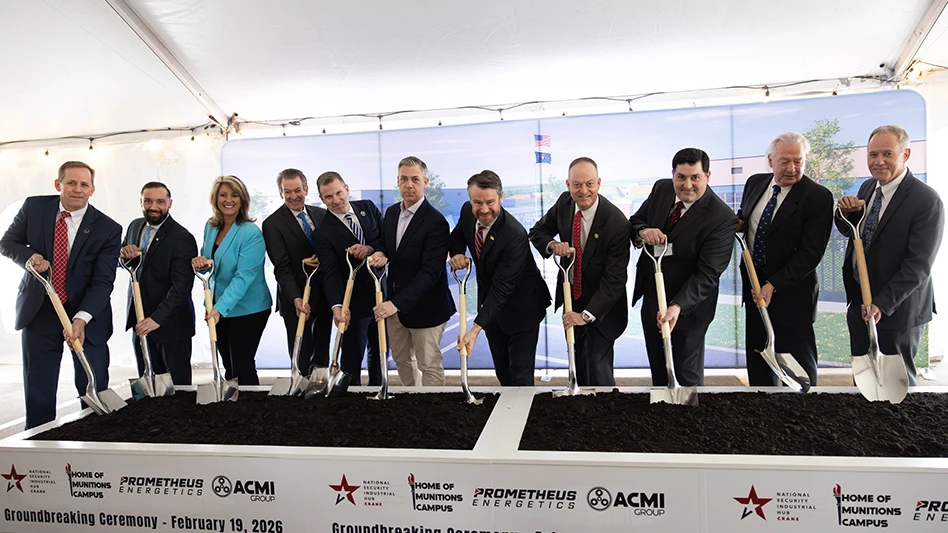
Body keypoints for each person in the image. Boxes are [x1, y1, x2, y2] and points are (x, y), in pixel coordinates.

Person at [0, 161, 121, 429]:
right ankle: (39, 445)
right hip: (40, 309)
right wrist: (29, 257)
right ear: (58, 184)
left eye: (84, 184)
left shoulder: (108, 229)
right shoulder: (34, 208)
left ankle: (96, 443)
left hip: (88, 314)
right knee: (39, 387)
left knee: (93, 386)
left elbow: (103, 281)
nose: (77, 189)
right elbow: (7, 243)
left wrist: (81, 319)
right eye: (71, 183)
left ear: (92, 190)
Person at [837, 125, 944, 385]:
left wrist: (882, 303)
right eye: (873, 154)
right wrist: (844, 214)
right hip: (861, 302)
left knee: (896, 384)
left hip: (898, 308)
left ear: (906, 154)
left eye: (888, 153)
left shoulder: (926, 200)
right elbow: (856, 234)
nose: (879, 161)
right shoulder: (867, 189)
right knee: (864, 379)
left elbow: (918, 265)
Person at [629, 148, 737, 387]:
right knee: (660, 374)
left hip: (688, 312)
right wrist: (643, 231)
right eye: (681, 177)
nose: (687, 185)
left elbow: (707, 275)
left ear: (708, 176)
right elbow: (636, 221)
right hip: (652, 303)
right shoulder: (661, 189)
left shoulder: (722, 219)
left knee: (686, 378)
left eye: (695, 177)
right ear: (673, 175)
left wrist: (677, 306)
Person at [737, 133, 833, 387]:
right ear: (770, 160)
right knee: (758, 363)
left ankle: (804, 415)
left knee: (798, 371)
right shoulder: (755, 184)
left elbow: (811, 253)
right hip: (754, 289)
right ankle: (763, 412)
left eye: (798, 161)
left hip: (793, 296)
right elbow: (747, 220)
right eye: (784, 161)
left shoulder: (817, 197)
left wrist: (774, 284)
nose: (792, 168)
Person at [529, 157, 630, 387]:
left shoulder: (616, 223)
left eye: (589, 184)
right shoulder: (565, 203)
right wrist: (553, 245)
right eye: (577, 185)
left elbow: (614, 281)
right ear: (568, 185)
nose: (583, 191)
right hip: (572, 298)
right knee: (577, 363)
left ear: (599, 183)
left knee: (598, 371)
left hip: (602, 309)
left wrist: (585, 316)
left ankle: (604, 415)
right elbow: (537, 232)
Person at [450, 170, 551, 385]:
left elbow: (502, 288)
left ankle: (523, 416)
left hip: (523, 307)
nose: (484, 209)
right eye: (477, 202)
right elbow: (457, 236)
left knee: (520, 376)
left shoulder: (514, 234)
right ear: (470, 199)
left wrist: (475, 329)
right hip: (492, 309)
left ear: (501, 197)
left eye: (490, 202)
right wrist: (457, 252)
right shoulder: (468, 212)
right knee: (503, 373)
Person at [370, 157, 454, 386]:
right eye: (404, 179)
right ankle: (411, 402)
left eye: (415, 179)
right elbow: (386, 245)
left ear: (425, 181)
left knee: (429, 364)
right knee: (402, 360)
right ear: (397, 181)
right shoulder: (391, 214)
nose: (409, 184)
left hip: (427, 308)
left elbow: (430, 272)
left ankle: (434, 409)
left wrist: (394, 304)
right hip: (394, 307)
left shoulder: (436, 222)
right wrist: (379, 253)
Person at [191, 175, 272, 386]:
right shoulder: (211, 226)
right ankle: (231, 408)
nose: (229, 200)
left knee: (242, 363)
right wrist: (200, 261)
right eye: (223, 195)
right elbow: (209, 259)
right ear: (216, 199)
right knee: (228, 364)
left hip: (249, 309)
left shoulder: (251, 234)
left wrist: (219, 309)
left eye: (235, 195)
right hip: (218, 307)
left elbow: (243, 278)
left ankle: (252, 410)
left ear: (242, 199)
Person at [119, 182, 198, 385]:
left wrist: (157, 319)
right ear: (141, 202)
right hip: (140, 320)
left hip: (170, 325)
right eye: (148, 201)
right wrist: (124, 257)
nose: (153, 206)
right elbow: (126, 263)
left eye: (160, 202)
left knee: (177, 389)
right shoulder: (135, 226)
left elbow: (181, 287)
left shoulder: (182, 238)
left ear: (170, 203)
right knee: (149, 385)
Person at [311, 171, 383, 386]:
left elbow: (385, 238)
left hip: (382, 296)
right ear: (322, 199)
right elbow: (330, 273)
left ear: (347, 189)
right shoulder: (322, 233)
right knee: (352, 357)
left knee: (380, 352)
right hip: (353, 303)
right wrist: (338, 305)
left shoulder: (368, 208)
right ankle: (350, 401)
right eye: (329, 197)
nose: (336, 200)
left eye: (339, 193)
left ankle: (379, 392)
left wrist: (371, 248)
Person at [262, 168, 332, 376]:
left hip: (325, 293)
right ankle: (300, 387)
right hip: (296, 297)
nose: (293, 196)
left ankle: (320, 385)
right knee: (301, 347)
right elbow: (281, 267)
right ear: (281, 193)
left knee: (322, 345)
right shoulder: (272, 224)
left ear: (306, 189)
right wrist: (296, 298)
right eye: (287, 191)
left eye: (297, 190)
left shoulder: (321, 214)